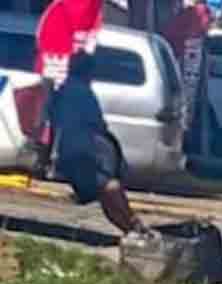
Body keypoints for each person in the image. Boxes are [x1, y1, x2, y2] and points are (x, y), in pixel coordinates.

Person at [49, 51, 156, 242]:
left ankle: (132, 230)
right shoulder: (79, 92)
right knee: (110, 189)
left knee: (106, 192)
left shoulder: (67, 90)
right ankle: (133, 227)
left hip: (79, 150)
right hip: (82, 151)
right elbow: (93, 126)